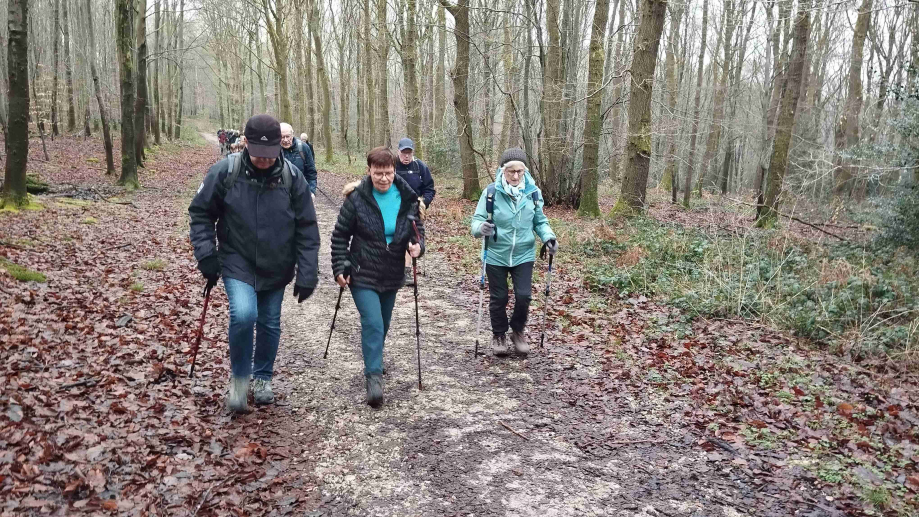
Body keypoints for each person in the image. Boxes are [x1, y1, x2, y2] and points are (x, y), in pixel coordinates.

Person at [189, 114, 320, 413]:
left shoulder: (292, 177)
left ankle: (262, 378)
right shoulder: (225, 172)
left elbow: (308, 228)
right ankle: (239, 379)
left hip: (278, 262)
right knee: (245, 314)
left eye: (270, 155)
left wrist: (307, 272)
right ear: (246, 143)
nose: (263, 161)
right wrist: (207, 255)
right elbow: (200, 214)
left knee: (270, 322)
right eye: (258, 154)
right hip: (238, 258)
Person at [330, 146, 425, 408]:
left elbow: (418, 231)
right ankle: (373, 378)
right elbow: (340, 236)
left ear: (395, 171)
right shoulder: (357, 199)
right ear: (369, 171)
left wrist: (418, 247)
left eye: (388, 173)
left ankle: (375, 359)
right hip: (362, 272)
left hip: (392, 272)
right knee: (372, 322)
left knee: (382, 324)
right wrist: (340, 266)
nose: (383, 178)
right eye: (378, 173)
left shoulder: (407, 198)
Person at [470, 148, 557, 357]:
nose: (516, 176)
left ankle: (517, 331)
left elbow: (540, 221)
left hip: (523, 254)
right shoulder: (491, 192)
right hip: (496, 253)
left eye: (519, 171)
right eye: (511, 172)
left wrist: (548, 237)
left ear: (525, 171)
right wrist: (481, 228)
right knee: (498, 297)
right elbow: (476, 220)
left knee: (524, 295)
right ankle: (499, 334)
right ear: (503, 171)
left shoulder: (533, 193)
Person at [395, 138, 435, 284]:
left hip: (414, 208)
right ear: (398, 151)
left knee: (411, 238)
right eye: (403, 153)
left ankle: (406, 272)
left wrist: (424, 203)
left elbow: (429, 188)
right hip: (394, 207)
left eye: (409, 153)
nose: (406, 156)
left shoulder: (420, 167)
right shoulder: (391, 166)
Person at [280, 123, 318, 196]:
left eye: (288, 136)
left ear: (292, 135)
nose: (285, 140)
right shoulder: (273, 150)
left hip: (300, 192)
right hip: (280, 194)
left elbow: (311, 172)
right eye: (282, 137)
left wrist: (311, 191)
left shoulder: (303, 148)